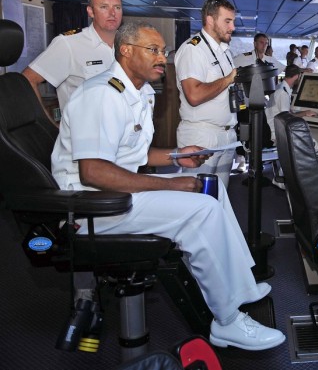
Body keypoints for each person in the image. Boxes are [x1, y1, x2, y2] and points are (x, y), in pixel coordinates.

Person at [51, 20, 286, 351]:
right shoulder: (101, 95)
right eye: (153, 50)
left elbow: (132, 153)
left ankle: (240, 285)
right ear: (126, 50)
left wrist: (177, 156)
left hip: (114, 191)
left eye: (163, 51)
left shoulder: (140, 91)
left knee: (211, 188)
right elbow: (94, 172)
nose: (162, 58)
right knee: (201, 209)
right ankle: (227, 321)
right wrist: (170, 186)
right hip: (92, 205)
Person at [22, 0, 123, 124]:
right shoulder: (68, 44)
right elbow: (28, 80)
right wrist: (48, 124)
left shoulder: (128, 45)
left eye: (117, 7)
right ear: (90, 11)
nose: (112, 13)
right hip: (83, 138)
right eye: (104, 7)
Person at [174, 0, 239, 188]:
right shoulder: (193, 49)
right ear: (210, 20)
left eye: (233, 21)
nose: (232, 27)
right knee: (198, 198)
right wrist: (228, 79)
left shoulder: (225, 51)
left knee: (220, 197)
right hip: (202, 135)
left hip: (227, 135)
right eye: (227, 21)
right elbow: (193, 95)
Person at [265, 64, 317, 143]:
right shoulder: (283, 93)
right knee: (312, 143)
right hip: (276, 133)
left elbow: (287, 113)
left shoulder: (279, 87)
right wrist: (305, 113)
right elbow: (287, 117)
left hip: (273, 128)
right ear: (297, 76)